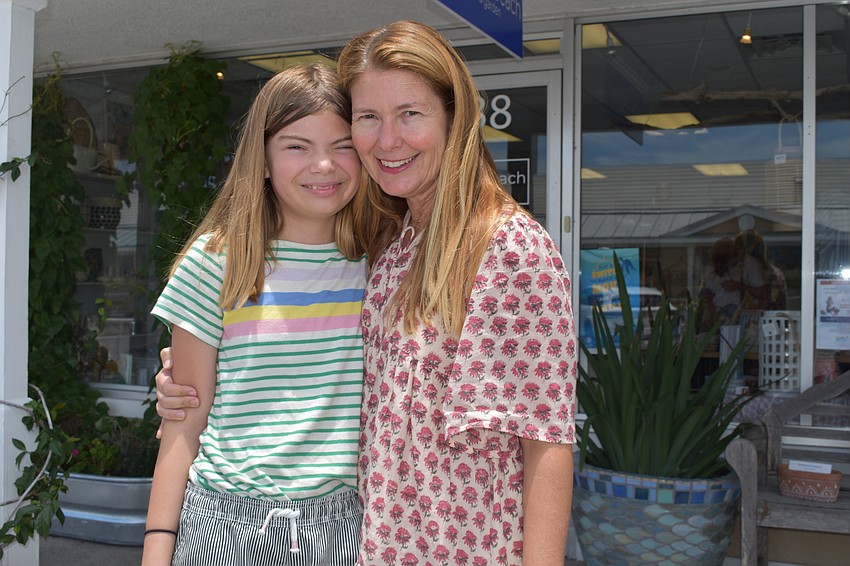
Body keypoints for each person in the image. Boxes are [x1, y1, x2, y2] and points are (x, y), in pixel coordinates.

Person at [157, 20, 578, 565]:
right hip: (367, 546)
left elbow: (546, 444)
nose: (388, 140)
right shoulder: (392, 247)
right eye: (368, 118)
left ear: (455, 116)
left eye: (410, 113)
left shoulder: (507, 247)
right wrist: (186, 378)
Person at [142, 63, 365, 566]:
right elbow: (184, 419)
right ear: (262, 160)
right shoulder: (214, 261)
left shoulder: (385, 266)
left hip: (348, 529)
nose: (324, 165)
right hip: (224, 526)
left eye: (342, 145)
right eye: (296, 146)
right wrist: (158, 545)